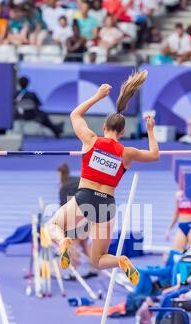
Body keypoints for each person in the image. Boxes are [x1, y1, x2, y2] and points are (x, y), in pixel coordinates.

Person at [47, 71, 159, 285]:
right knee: (97, 260)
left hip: (84, 197)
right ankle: (120, 260)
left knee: (53, 226)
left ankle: (63, 242)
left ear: (104, 128)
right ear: (123, 132)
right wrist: (150, 130)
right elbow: (154, 155)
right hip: (106, 204)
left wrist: (98, 96)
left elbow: (74, 116)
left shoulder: (90, 140)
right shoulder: (127, 152)